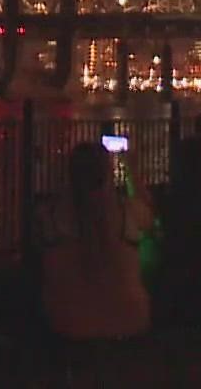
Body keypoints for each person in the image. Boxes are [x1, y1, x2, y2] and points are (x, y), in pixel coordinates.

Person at [40, 142, 151, 339]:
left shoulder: (50, 217)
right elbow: (149, 214)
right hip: (129, 323)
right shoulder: (127, 212)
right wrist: (131, 169)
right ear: (108, 175)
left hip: (68, 327)